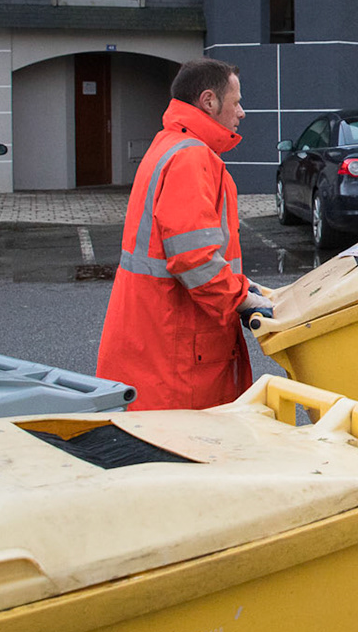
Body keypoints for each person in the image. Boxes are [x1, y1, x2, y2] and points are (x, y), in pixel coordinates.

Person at [96, 59, 273, 410]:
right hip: (178, 349)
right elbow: (194, 258)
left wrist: (239, 286)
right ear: (209, 101)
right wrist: (241, 298)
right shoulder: (192, 158)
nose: (242, 112)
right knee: (191, 451)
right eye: (235, 101)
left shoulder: (170, 145)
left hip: (155, 338)